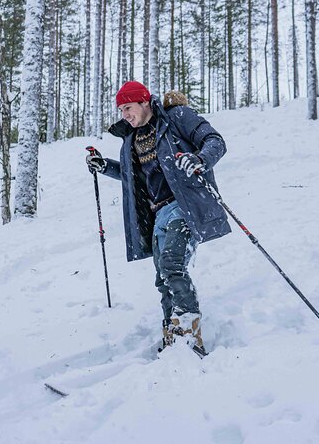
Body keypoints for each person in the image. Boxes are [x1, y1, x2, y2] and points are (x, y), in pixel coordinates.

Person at [85, 81, 230, 356]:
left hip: (183, 205)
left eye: (128, 107)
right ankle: (173, 337)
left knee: (172, 264)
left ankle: (189, 335)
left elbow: (215, 141)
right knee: (163, 278)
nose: (124, 114)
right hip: (157, 214)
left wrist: (200, 159)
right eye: (120, 110)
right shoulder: (131, 138)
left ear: (143, 102)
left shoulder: (175, 117)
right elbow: (131, 175)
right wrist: (104, 166)